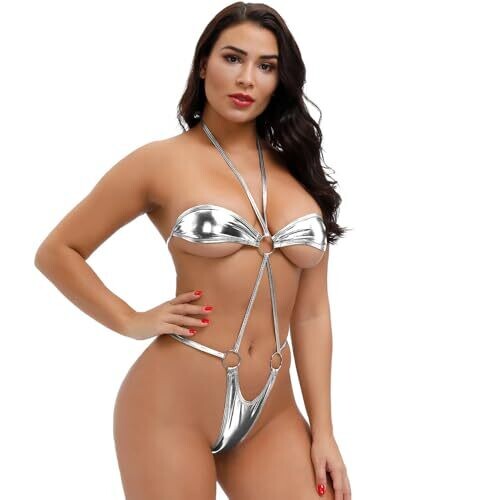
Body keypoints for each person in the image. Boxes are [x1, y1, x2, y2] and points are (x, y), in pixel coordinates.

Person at [34, 2, 352, 499]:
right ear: (203, 64)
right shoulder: (160, 162)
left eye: (266, 66)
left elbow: (311, 314)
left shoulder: (299, 171)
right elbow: (58, 251)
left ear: (280, 79)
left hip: (272, 413)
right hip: (171, 408)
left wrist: (325, 432)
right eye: (233, 58)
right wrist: (130, 319)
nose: (246, 78)